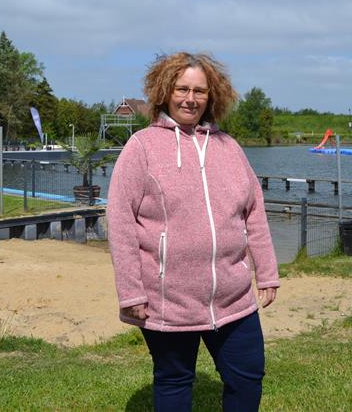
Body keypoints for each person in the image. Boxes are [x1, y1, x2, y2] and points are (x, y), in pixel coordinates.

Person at [107, 52, 280, 412]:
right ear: (165, 92)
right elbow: (121, 222)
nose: (190, 98)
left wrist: (266, 272)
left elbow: (254, 214)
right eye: (181, 88)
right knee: (174, 381)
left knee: (248, 375)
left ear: (211, 95)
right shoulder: (141, 148)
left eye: (199, 91)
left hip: (233, 298)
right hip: (167, 299)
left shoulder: (230, 148)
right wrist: (130, 292)